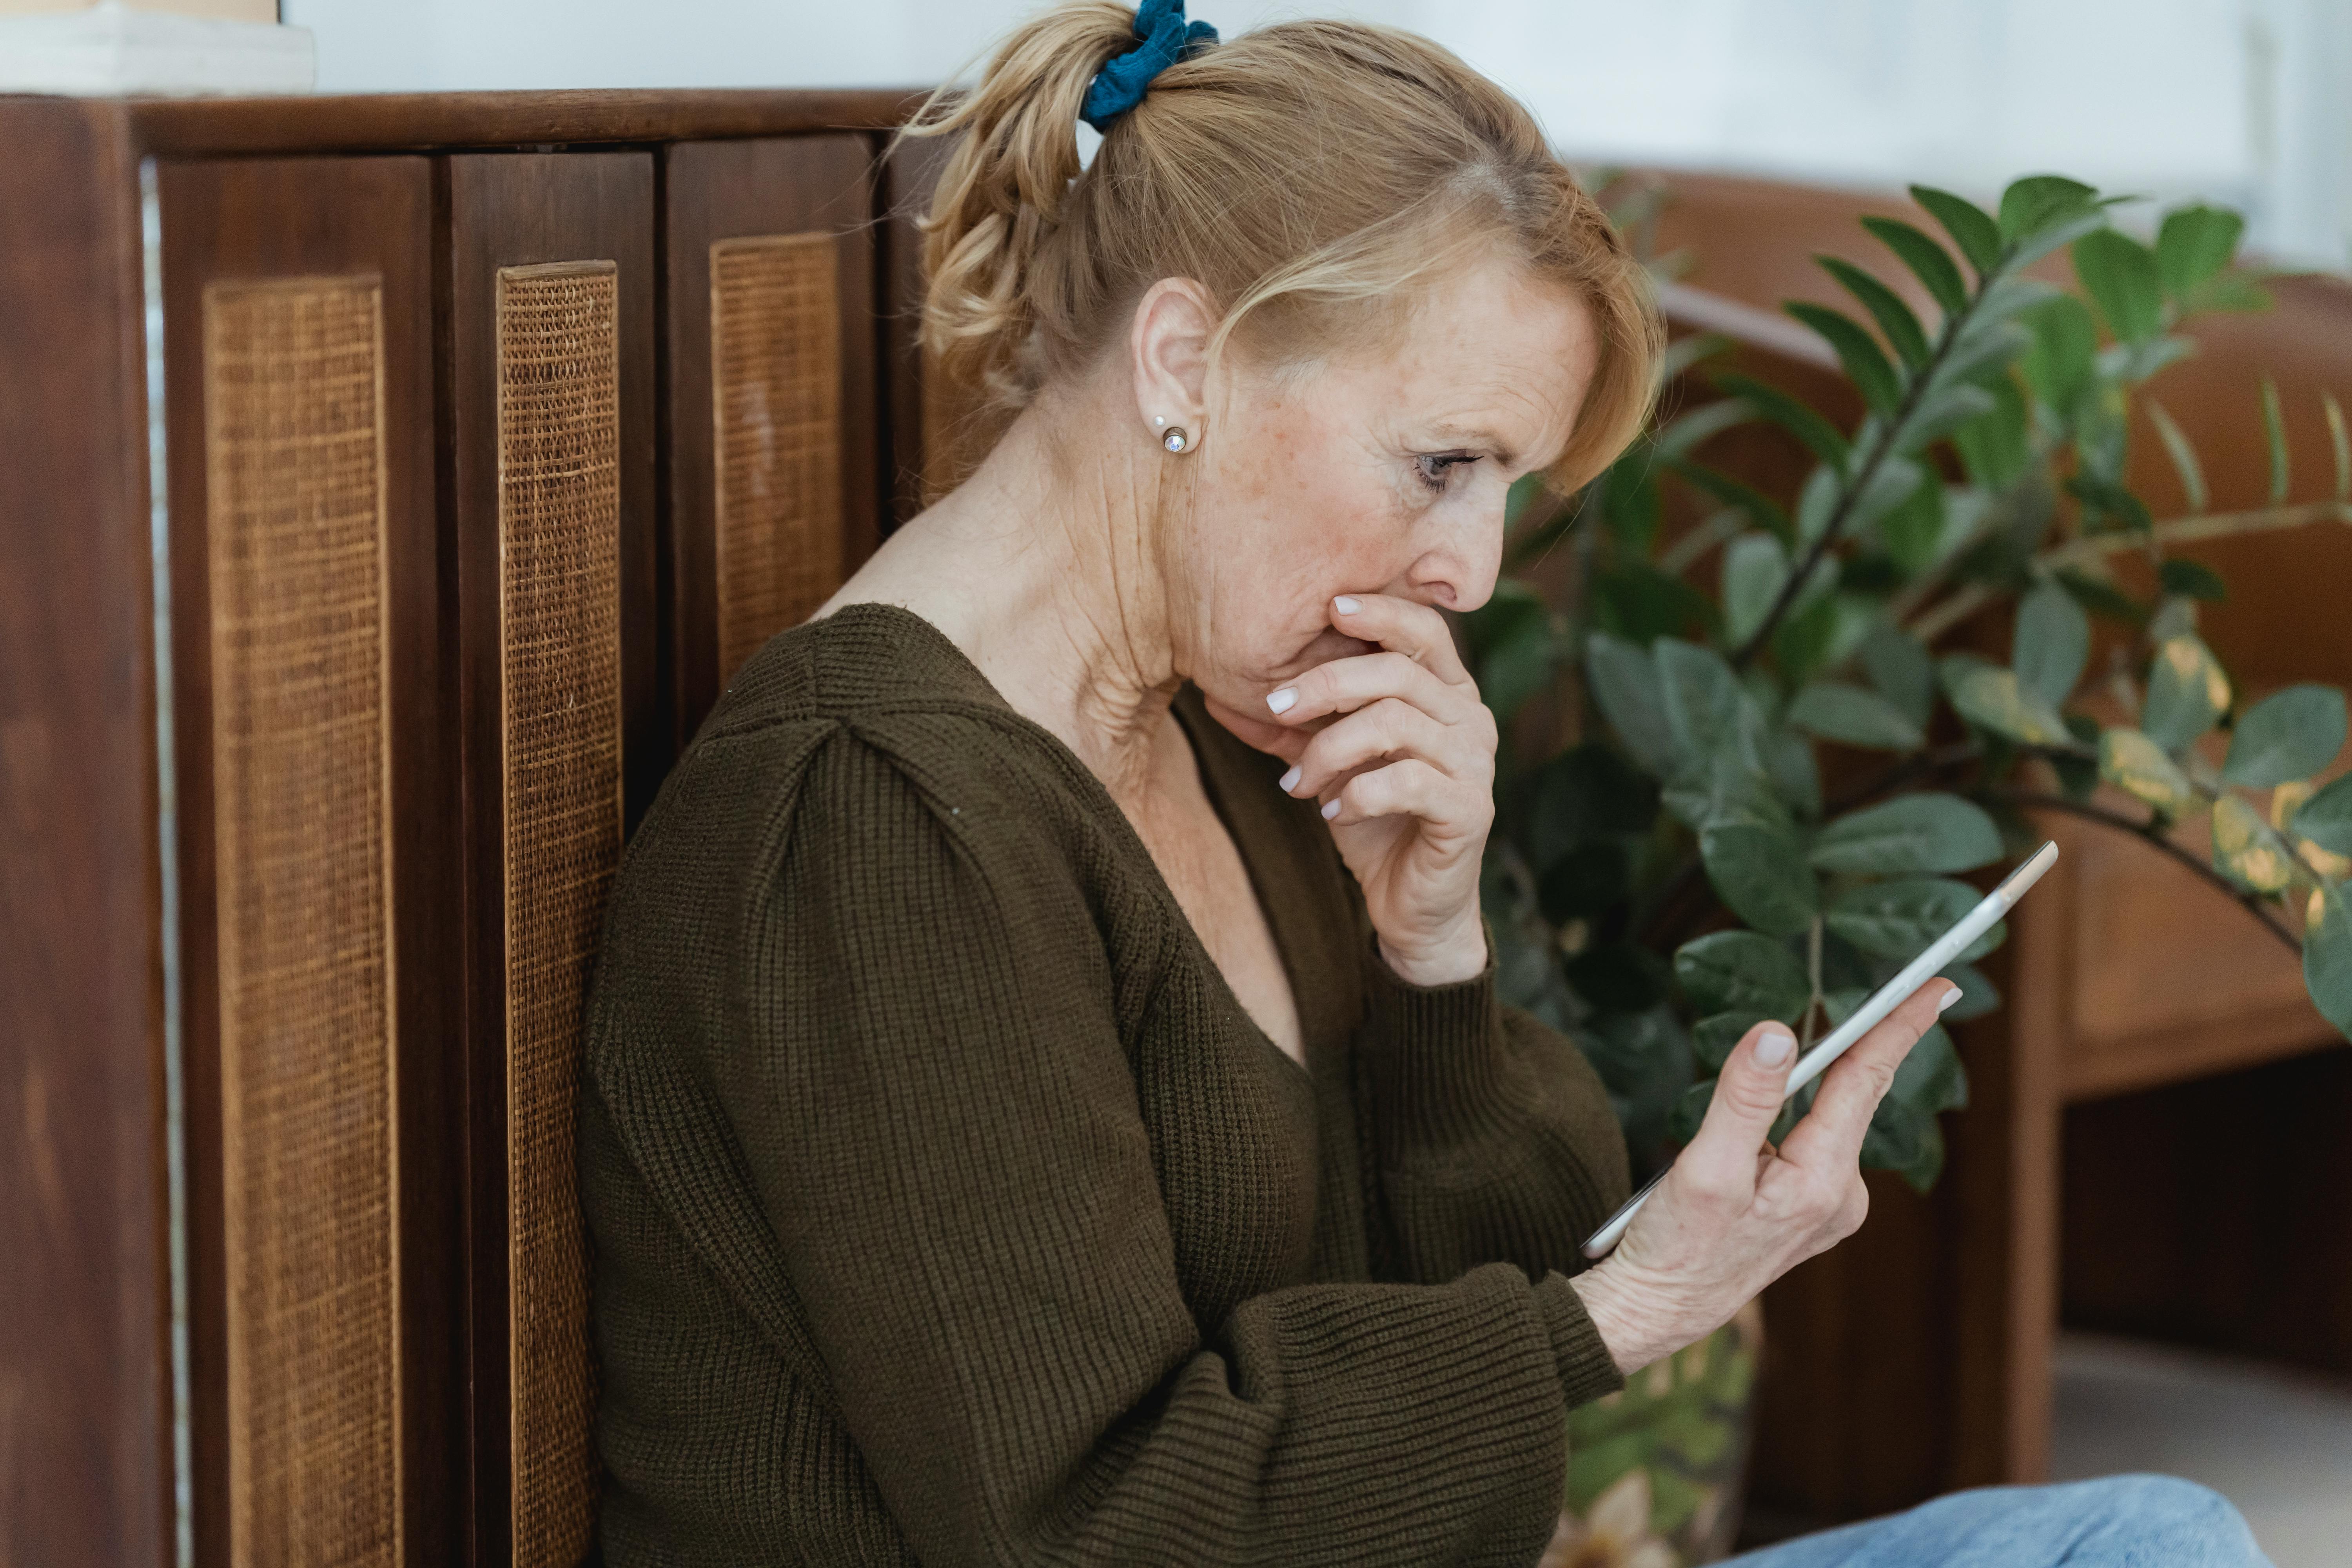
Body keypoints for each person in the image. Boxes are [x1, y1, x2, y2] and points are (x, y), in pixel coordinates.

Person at [576, 3, 2271, 1563]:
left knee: (2143, 1536)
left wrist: (1432, 952)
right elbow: (1105, 1519)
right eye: (1442, 462)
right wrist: (1625, 1310)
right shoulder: (873, 818)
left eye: (1503, 486)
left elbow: (1502, 1325)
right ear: (1189, 362)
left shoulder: (1232, 716)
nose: (1468, 567)